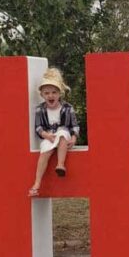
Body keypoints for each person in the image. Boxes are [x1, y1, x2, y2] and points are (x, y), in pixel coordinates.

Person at [29, 68, 79, 197]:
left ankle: (60, 165)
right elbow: (38, 127)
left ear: (59, 94)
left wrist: (73, 138)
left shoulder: (67, 108)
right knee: (44, 152)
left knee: (62, 133)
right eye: (47, 93)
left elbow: (74, 126)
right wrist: (46, 135)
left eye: (54, 92)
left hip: (63, 134)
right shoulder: (40, 109)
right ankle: (37, 183)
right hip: (49, 136)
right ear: (42, 95)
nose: (50, 96)